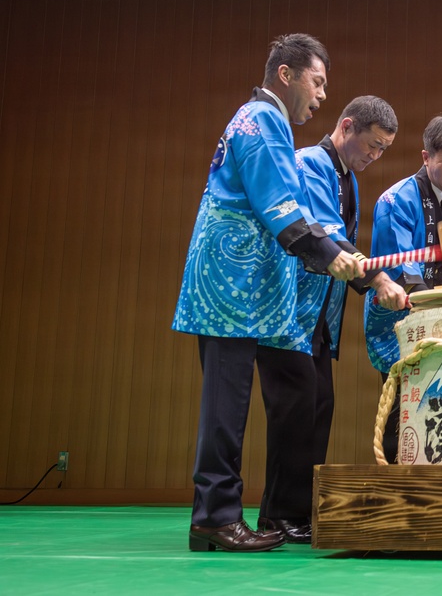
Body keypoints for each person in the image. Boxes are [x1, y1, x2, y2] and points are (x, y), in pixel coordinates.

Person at [173, 34, 362, 552]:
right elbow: (278, 203)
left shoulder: (265, 121)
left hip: (241, 287)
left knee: (230, 406)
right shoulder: (261, 121)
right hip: (228, 288)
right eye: (318, 82)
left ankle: (221, 513)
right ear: (287, 75)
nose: (322, 96)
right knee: (224, 407)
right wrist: (328, 254)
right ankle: (214, 516)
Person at [253, 96, 408, 543]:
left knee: (318, 407)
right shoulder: (311, 164)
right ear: (346, 127)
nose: (374, 157)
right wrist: (379, 280)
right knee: (295, 411)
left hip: (320, 317)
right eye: (372, 146)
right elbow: (329, 238)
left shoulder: (346, 176)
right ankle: (279, 514)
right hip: (291, 314)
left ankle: (297, 513)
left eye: (382, 151)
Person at [363, 115, 442, 463]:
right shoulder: (395, 200)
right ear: (426, 157)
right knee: (402, 403)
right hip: (399, 316)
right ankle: (394, 485)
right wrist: (432, 305)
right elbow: (398, 268)